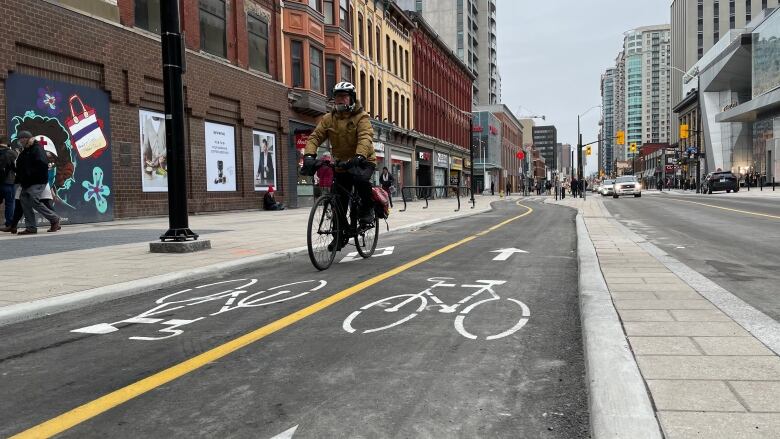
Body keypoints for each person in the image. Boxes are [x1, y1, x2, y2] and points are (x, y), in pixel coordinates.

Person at [300, 81, 375, 251]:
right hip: (342, 164)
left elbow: (365, 136)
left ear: (351, 99)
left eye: (344, 97)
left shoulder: (361, 117)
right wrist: (309, 156)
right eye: (337, 97)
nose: (340, 100)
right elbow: (315, 137)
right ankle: (340, 235)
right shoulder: (329, 119)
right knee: (338, 201)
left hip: (363, 160)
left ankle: (366, 210)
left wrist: (359, 155)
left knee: (361, 179)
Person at [14, 131, 60, 234]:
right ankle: (31, 227)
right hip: (28, 182)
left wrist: (29, 175)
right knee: (24, 199)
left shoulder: (37, 149)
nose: (20, 142)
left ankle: (54, 219)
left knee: (32, 199)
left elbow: (41, 165)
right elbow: (22, 165)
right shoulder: (26, 150)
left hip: (37, 181)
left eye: (21, 140)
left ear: (26, 139)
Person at [0, 136, 18, 231]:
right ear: (7, 143)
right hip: (8, 182)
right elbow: (17, 165)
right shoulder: (11, 153)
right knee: (9, 204)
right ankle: (9, 224)